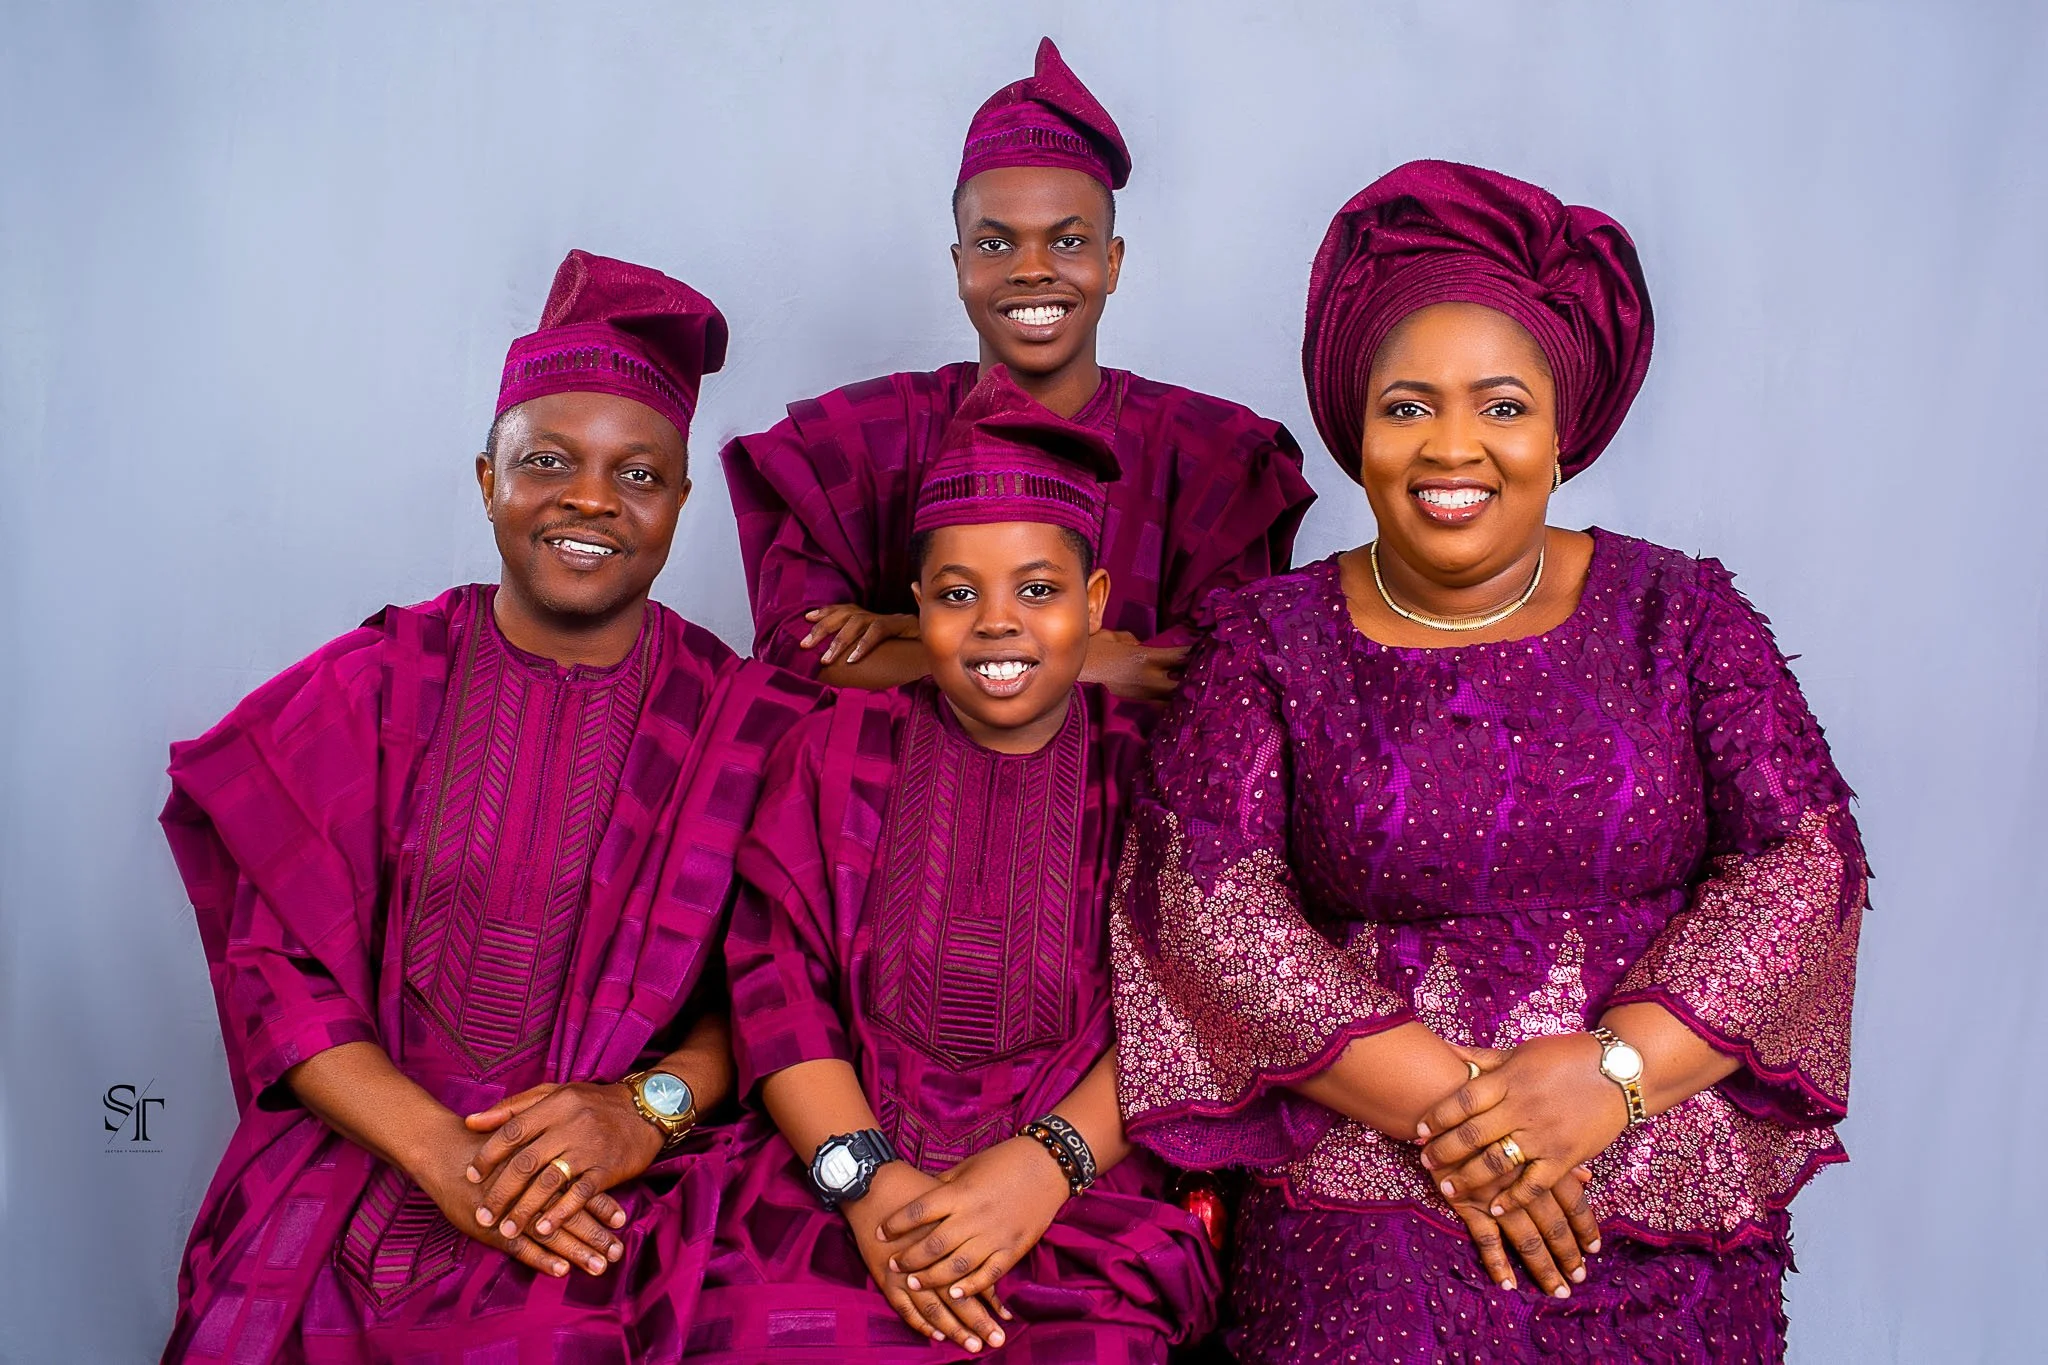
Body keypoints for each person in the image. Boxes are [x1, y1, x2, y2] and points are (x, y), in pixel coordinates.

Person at [1110, 161, 1867, 1362]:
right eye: (1406, 407)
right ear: (1355, 434)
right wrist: (1464, 1115)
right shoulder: (1267, 639)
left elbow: (1802, 861)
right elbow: (1206, 907)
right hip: (1365, 1173)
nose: (1449, 447)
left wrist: (1607, 1077)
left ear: (1562, 433)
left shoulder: (1679, 614)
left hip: (1656, 1154)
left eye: (1500, 406)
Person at [159, 251, 820, 1363]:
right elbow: (274, 972)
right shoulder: (374, 684)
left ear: (681, 503)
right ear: (484, 479)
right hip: (365, 1152)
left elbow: (772, 988)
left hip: (626, 1185)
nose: (591, 500)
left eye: (639, 474)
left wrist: (640, 1110)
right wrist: (441, 1155)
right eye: (547, 461)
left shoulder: (747, 723)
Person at [688, 367, 1220, 1363]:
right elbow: (776, 987)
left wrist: (1039, 1171)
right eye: (955, 593)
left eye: (1037, 589)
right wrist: (870, 1186)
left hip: (1080, 1198)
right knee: (764, 1329)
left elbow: (1184, 1005)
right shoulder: (834, 752)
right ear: (915, 603)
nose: (995, 623)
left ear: (1095, 601)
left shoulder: (1159, 771)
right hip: (835, 1183)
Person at [721, 37, 1315, 700]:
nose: (1032, 268)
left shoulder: (1211, 454)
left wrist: (915, 640)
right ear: (959, 266)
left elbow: (1214, 675)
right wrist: (1078, 663)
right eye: (996, 242)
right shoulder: (863, 439)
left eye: (1067, 240)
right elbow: (798, 656)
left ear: (1112, 262)